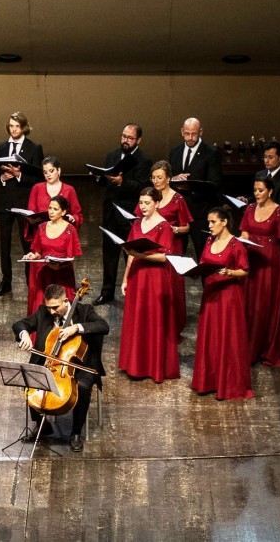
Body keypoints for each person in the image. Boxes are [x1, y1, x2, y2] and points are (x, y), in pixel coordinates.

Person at [12, 283, 109, 452]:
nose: (51, 312)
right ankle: (43, 426)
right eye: (49, 308)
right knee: (30, 378)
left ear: (65, 301)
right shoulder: (43, 312)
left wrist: (76, 328)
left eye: (55, 307)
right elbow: (19, 324)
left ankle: (76, 432)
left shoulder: (84, 311)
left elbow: (103, 326)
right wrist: (24, 334)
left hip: (80, 365)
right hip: (51, 363)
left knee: (83, 387)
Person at [191, 205, 253, 400]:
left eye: (213, 222)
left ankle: (229, 383)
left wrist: (230, 272)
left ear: (224, 222)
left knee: (227, 338)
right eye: (208, 222)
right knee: (211, 337)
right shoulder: (210, 240)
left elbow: (245, 270)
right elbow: (204, 263)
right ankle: (209, 380)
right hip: (210, 295)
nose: (209, 226)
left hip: (228, 298)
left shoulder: (236, 245)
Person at [117, 187, 178, 382]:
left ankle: (153, 367)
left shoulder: (164, 226)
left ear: (157, 203)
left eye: (147, 203)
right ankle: (135, 364)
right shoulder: (137, 224)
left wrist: (141, 255)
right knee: (137, 319)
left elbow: (164, 258)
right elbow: (130, 254)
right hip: (137, 277)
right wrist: (125, 278)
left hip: (154, 279)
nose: (142, 206)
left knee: (152, 320)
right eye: (141, 202)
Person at [239, 177, 280, 366]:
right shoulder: (249, 209)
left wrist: (275, 254)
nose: (257, 194)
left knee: (267, 303)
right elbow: (244, 232)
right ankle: (249, 347)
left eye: (261, 190)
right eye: (255, 190)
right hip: (252, 260)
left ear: (270, 191)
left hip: (270, 265)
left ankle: (269, 348)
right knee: (251, 302)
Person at [0, 112, 44, 297]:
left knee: (26, 242)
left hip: (24, 202)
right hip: (5, 201)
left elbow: (38, 177)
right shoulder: (1, 147)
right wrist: (3, 177)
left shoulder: (34, 148)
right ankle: (6, 282)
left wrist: (18, 174)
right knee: (4, 243)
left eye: (17, 126)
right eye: (11, 126)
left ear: (24, 128)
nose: (14, 129)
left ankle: (31, 282)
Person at [98, 124, 151, 304]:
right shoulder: (112, 155)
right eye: (123, 136)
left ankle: (132, 292)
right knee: (109, 253)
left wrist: (122, 182)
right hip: (110, 212)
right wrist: (98, 176)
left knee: (130, 254)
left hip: (128, 214)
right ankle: (107, 292)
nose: (125, 141)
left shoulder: (143, 160)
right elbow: (105, 181)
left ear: (138, 140)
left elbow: (142, 186)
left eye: (129, 138)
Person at [141, 161, 192, 335]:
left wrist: (174, 229)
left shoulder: (178, 199)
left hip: (171, 246)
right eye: (153, 177)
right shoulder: (148, 197)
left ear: (168, 179)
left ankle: (172, 328)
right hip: (152, 246)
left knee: (171, 287)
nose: (155, 181)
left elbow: (186, 227)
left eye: (159, 177)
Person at [169, 117, 223, 258]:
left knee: (204, 255)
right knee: (175, 255)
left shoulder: (211, 153)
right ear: (182, 132)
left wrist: (190, 186)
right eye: (187, 133)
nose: (190, 137)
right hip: (179, 213)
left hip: (200, 213)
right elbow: (168, 178)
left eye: (194, 134)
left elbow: (215, 183)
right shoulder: (174, 152)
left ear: (201, 132)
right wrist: (174, 179)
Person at [22, 195, 82, 315]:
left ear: (63, 211)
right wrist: (31, 256)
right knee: (43, 310)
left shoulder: (70, 229)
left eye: (55, 209)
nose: (51, 211)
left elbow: (71, 258)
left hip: (63, 275)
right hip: (45, 274)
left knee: (63, 311)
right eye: (50, 208)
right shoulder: (42, 227)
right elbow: (38, 253)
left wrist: (59, 266)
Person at [26, 156, 84, 232]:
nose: (48, 175)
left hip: (62, 233)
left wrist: (73, 218)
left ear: (58, 170)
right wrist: (31, 220)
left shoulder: (69, 189)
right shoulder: (37, 188)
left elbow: (78, 215)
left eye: (51, 171)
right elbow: (31, 212)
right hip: (41, 233)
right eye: (45, 172)